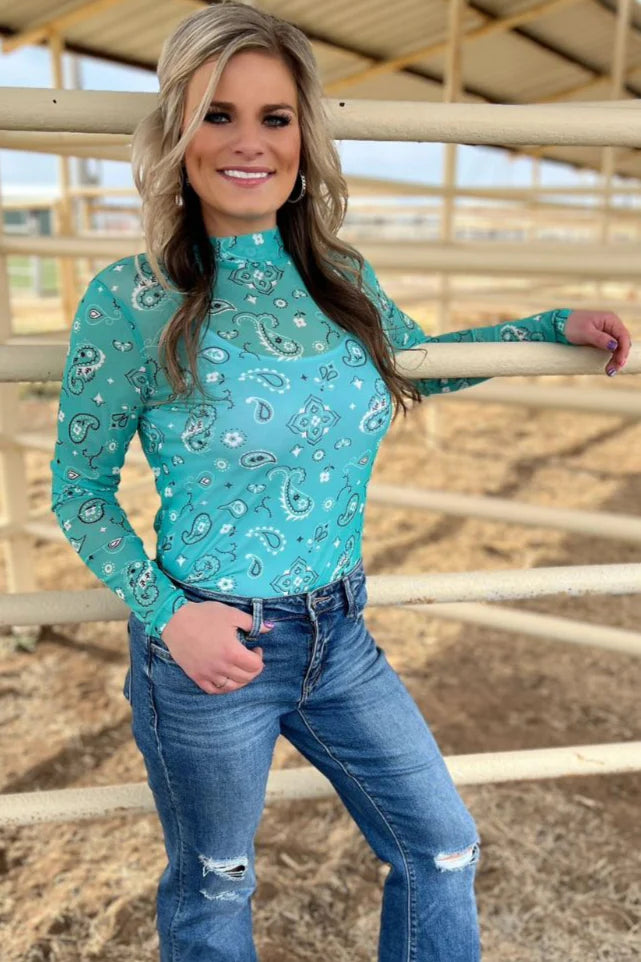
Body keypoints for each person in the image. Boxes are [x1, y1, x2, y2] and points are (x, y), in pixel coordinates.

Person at [49, 3, 631, 960]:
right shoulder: (132, 296)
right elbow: (79, 490)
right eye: (216, 114)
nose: (249, 142)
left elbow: (417, 365)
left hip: (338, 633)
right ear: (177, 136)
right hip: (210, 644)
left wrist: (547, 328)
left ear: (303, 137)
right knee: (215, 885)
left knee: (441, 849)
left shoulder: (338, 275)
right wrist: (169, 616)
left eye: (274, 117)